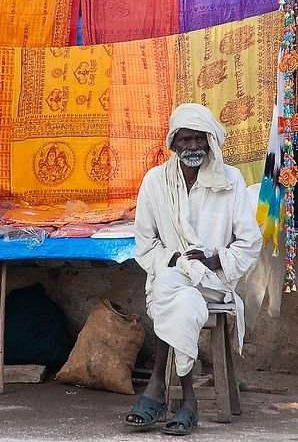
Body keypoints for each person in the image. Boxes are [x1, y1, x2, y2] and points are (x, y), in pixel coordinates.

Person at [125, 103, 262, 435]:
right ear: (173, 144)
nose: (192, 147)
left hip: (214, 279)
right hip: (172, 275)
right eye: (184, 140)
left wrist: (212, 260)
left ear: (210, 140)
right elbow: (145, 244)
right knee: (176, 291)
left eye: (199, 139)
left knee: (169, 291)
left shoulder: (230, 180)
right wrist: (175, 261)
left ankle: (157, 389)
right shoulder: (155, 182)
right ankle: (188, 401)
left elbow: (249, 242)